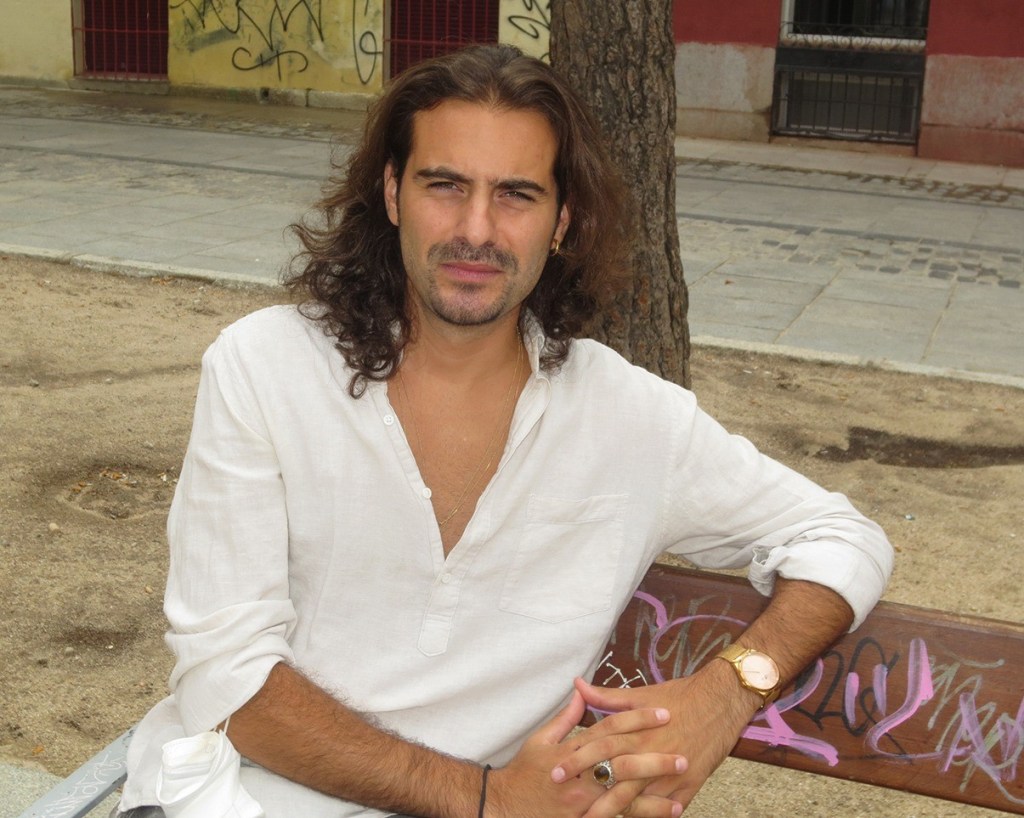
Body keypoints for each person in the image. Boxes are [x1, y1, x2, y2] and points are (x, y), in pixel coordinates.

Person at [116, 44, 892, 818]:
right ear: (392, 193)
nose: (476, 229)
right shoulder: (265, 367)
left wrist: (727, 694)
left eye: (516, 195)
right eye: (444, 185)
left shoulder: (628, 417)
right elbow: (228, 679)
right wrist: (486, 798)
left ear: (563, 221)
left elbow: (842, 537)